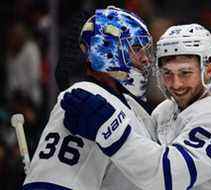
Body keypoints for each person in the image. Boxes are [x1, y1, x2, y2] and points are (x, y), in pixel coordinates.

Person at [61, 23, 211, 189]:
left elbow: (168, 176)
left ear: (209, 70)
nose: (176, 84)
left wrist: (110, 129)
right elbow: (142, 164)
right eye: (167, 73)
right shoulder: (164, 112)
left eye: (185, 73)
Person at [22, 6, 155, 190]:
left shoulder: (134, 107)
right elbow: (51, 182)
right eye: (136, 48)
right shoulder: (85, 99)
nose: (145, 59)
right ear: (107, 49)